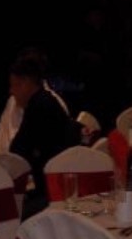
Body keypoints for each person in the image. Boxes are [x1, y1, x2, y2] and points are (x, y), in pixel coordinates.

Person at [8, 59, 80, 218]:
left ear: (26, 83)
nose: (11, 91)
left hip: (53, 192)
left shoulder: (39, 106)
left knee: (10, 213)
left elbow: (18, 151)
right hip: (53, 186)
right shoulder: (44, 101)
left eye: (14, 85)